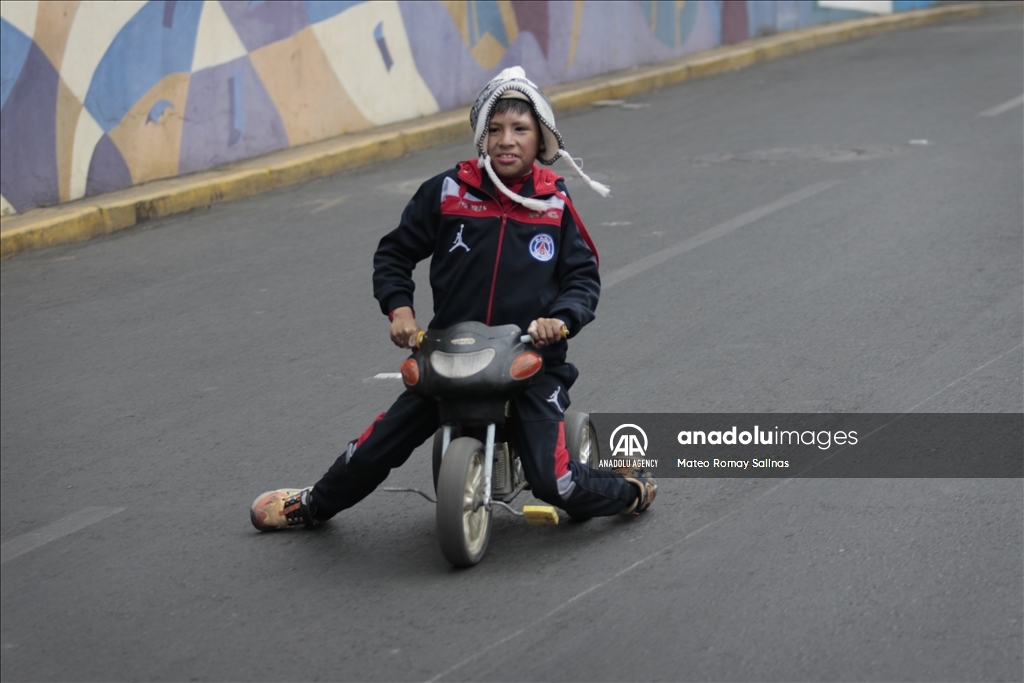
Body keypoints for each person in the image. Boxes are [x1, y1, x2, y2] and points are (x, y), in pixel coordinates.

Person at [250, 67, 655, 531]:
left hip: (530, 361)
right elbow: (395, 253)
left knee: (556, 484)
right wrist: (399, 309)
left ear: (541, 137)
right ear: (481, 135)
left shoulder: (554, 205)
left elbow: (583, 278)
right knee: (379, 444)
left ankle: (630, 489)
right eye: (495, 128)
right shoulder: (447, 192)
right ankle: (314, 503)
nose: (506, 140)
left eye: (520, 129)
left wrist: (560, 321)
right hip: (452, 354)